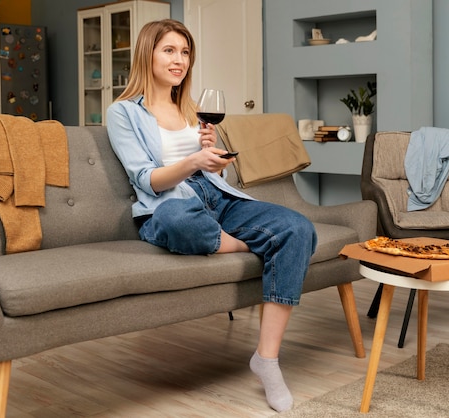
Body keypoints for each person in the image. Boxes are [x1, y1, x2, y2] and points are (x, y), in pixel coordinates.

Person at [106, 19, 317, 412]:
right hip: (170, 204)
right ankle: (252, 244)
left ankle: (266, 360)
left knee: (299, 228)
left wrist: (212, 160)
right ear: (147, 53)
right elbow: (146, 180)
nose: (179, 60)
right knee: (177, 221)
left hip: (215, 197)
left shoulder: (189, 106)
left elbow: (212, 172)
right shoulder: (123, 112)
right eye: (169, 50)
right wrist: (193, 160)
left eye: (185, 52)